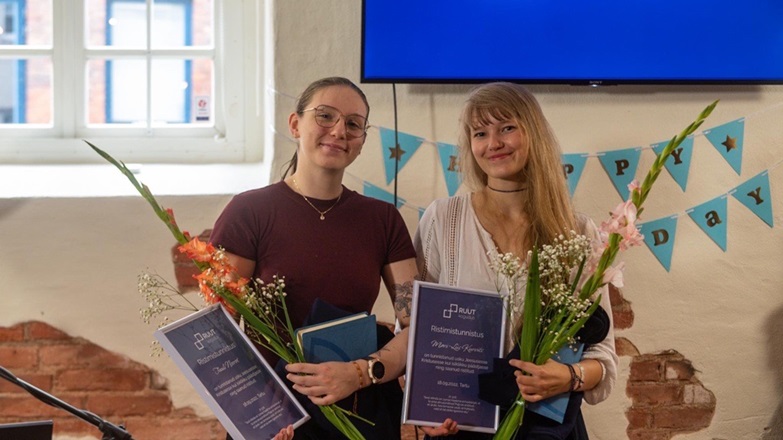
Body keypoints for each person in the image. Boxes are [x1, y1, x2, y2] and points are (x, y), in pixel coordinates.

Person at [210, 77, 456, 439]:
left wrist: (361, 372)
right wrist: (255, 415)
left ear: (361, 141)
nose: (339, 130)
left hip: (360, 411)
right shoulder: (249, 211)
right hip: (277, 416)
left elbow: (417, 324)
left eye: (353, 124)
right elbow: (218, 335)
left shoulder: (382, 219)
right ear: (295, 124)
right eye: (325, 116)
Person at [414, 82, 619, 439]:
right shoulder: (442, 219)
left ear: (533, 134)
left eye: (507, 128)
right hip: (461, 427)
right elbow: (419, 332)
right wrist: (427, 403)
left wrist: (568, 377)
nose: (493, 143)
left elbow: (603, 354)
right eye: (480, 133)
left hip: (546, 429)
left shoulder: (576, 229)